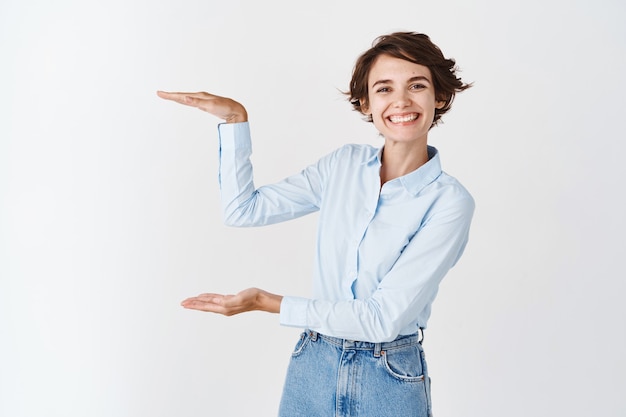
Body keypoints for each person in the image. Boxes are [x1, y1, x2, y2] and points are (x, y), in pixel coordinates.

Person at [158, 31, 474, 417]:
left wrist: (266, 302)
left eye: (417, 85)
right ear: (366, 104)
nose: (401, 101)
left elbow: (379, 320)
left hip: (388, 375)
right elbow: (244, 209)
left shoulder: (449, 202)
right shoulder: (342, 166)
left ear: (439, 96)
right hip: (314, 364)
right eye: (385, 89)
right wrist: (234, 120)